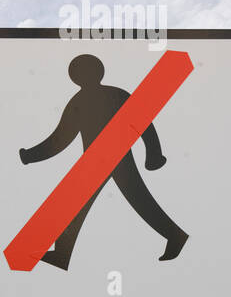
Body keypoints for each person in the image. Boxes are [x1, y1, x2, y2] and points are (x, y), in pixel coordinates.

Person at [19, 53, 188, 270]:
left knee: (137, 201)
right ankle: (62, 252)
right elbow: (61, 138)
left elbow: (143, 123)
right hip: (96, 161)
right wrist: (31, 156)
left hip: (110, 159)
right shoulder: (99, 98)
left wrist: (154, 154)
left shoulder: (100, 98)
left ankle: (175, 236)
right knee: (81, 204)